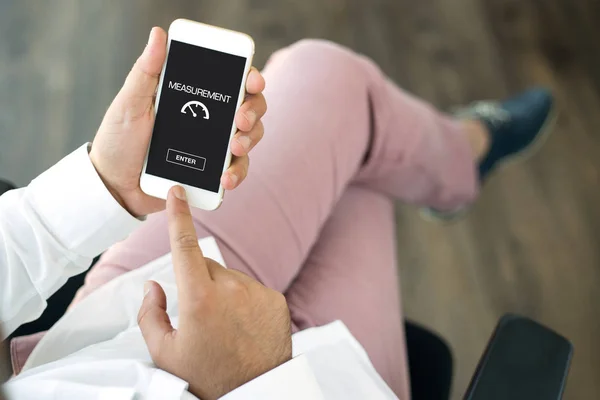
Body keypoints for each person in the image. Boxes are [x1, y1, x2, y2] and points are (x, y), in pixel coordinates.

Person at [0, 26, 554, 399]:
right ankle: (461, 161)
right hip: (297, 387)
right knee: (362, 173)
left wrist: (103, 187)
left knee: (331, 85)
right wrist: (258, 380)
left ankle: (459, 159)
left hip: (99, 339)